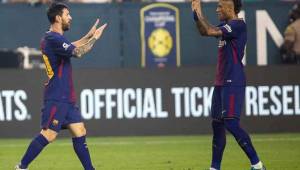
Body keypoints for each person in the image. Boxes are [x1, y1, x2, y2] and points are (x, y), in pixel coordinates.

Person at [15, 2, 107, 170]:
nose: (70, 17)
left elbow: (72, 47)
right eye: (67, 15)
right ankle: (21, 167)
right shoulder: (53, 38)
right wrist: (94, 39)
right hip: (57, 96)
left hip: (66, 97)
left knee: (80, 130)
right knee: (49, 135)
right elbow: (77, 52)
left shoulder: (56, 39)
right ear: (58, 18)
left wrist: (88, 36)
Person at [191, 0, 266, 170]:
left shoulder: (238, 25)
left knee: (231, 123)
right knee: (217, 124)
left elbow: (210, 30)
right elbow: (204, 31)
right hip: (220, 82)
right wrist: (196, 15)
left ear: (230, 7)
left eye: (220, 6)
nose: (217, 9)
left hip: (233, 81)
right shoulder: (226, 26)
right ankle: (214, 167)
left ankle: (257, 164)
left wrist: (199, 13)